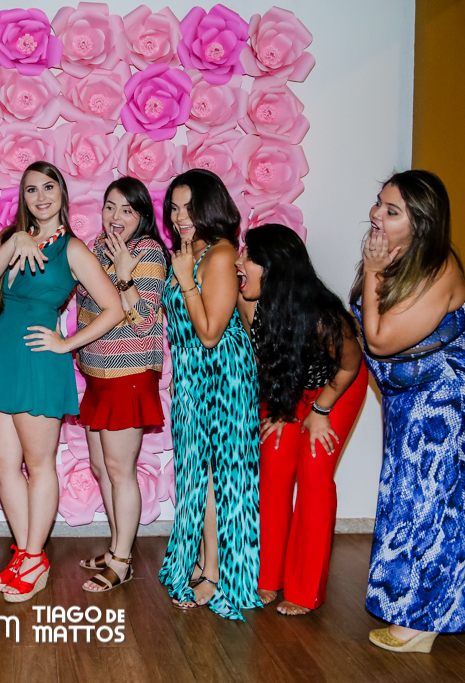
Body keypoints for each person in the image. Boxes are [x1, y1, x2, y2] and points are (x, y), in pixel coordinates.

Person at [351, 170, 465, 653]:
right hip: (415, 393)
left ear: (420, 223)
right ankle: (442, 606)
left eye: (392, 210)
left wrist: (373, 270)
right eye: (379, 203)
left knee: (428, 500)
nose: (376, 214)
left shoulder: (437, 268)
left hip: (448, 392)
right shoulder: (396, 258)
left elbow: (380, 340)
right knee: (426, 497)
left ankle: (422, 620)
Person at [0, 161, 124, 602]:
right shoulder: (14, 239)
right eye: (31, 189)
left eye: (48, 187)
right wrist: (16, 239)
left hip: (39, 362)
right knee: (3, 463)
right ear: (23, 198)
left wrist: (67, 343)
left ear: (62, 193)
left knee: (39, 465)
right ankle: (27, 553)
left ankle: (35, 557)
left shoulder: (72, 249)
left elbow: (114, 309)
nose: (40, 197)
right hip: (3, 359)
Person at [235, 224, 367, 616]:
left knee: (313, 471)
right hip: (292, 388)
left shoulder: (323, 317)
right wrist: (283, 411)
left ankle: (306, 589)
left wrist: (320, 412)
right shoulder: (249, 303)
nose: (238, 262)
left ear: (273, 268)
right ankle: (268, 577)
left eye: (248, 257)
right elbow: (266, 363)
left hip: (336, 386)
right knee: (274, 463)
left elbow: (350, 364)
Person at [157, 169, 261, 619]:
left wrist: (184, 279)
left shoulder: (219, 254)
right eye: (174, 208)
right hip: (192, 377)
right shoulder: (188, 252)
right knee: (196, 473)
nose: (180, 216)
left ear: (211, 207)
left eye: (190, 207)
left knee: (218, 477)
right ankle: (201, 560)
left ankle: (216, 572)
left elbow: (211, 333)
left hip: (223, 374)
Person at [75, 177, 169, 593]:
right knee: (101, 468)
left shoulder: (147, 252)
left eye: (127, 210)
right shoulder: (97, 247)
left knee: (120, 470)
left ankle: (123, 561)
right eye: (110, 206)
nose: (115, 216)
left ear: (142, 216)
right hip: (97, 376)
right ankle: (117, 547)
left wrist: (127, 276)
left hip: (128, 376)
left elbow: (145, 321)